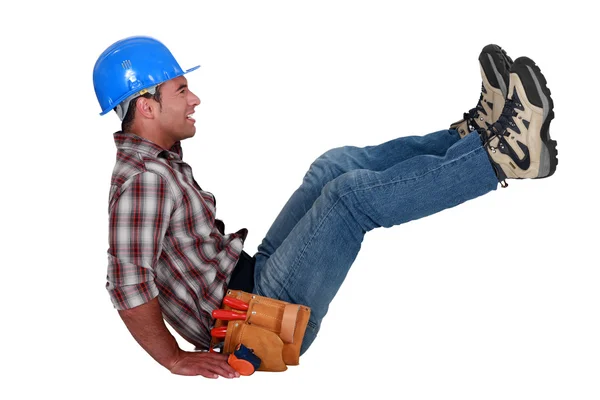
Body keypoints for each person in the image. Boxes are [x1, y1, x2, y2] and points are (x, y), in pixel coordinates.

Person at [93, 36, 558, 379]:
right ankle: (503, 157)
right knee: (347, 198)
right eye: (180, 90)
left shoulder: (153, 163)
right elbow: (127, 284)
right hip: (253, 316)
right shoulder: (144, 181)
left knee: (332, 166)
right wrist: (174, 359)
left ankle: (476, 136)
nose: (194, 99)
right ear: (146, 107)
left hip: (249, 278)